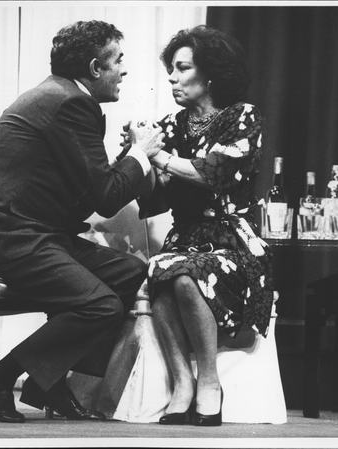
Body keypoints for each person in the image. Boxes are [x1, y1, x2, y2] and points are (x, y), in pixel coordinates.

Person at [0, 20, 164, 423]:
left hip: (32, 234)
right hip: (5, 237)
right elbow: (107, 199)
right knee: (101, 305)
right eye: (118, 61)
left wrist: (129, 160)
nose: (124, 70)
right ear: (95, 68)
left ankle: (46, 382)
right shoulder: (70, 103)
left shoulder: (63, 97)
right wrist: (140, 154)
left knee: (129, 273)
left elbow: (91, 193)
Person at [125, 25, 275, 426]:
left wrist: (157, 156)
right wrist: (137, 157)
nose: (172, 78)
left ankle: (209, 381)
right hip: (185, 236)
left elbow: (215, 174)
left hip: (232, 241)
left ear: (209, 74)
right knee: (161, 270)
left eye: (182, 68)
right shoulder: (171, 125)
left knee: (185, 273)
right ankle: (182, 383)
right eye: (171, 70)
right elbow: (156, 199)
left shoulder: (242, 117)